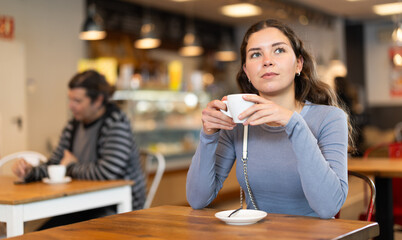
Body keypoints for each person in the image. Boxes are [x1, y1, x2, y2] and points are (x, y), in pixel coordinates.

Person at [186, 19, 355, 219]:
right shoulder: (240, 123)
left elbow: (328, 207)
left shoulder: (330, 118)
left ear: (298, 64)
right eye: (256, 54)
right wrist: (208, 136)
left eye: (279, 50)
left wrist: (294, 123)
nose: (267, 60)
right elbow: (197, 199)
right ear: (247, 71)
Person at [12, 70, 146, 228]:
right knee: (43, 234)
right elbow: (55, 164)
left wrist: (69, 167)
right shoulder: (73, 125)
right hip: (82, 205)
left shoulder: (116, 123)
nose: (71, 106)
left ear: (98, 101)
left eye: (77, 101)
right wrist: (30, 172)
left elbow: (109, 172)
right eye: (70, 99)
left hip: (117, 208)